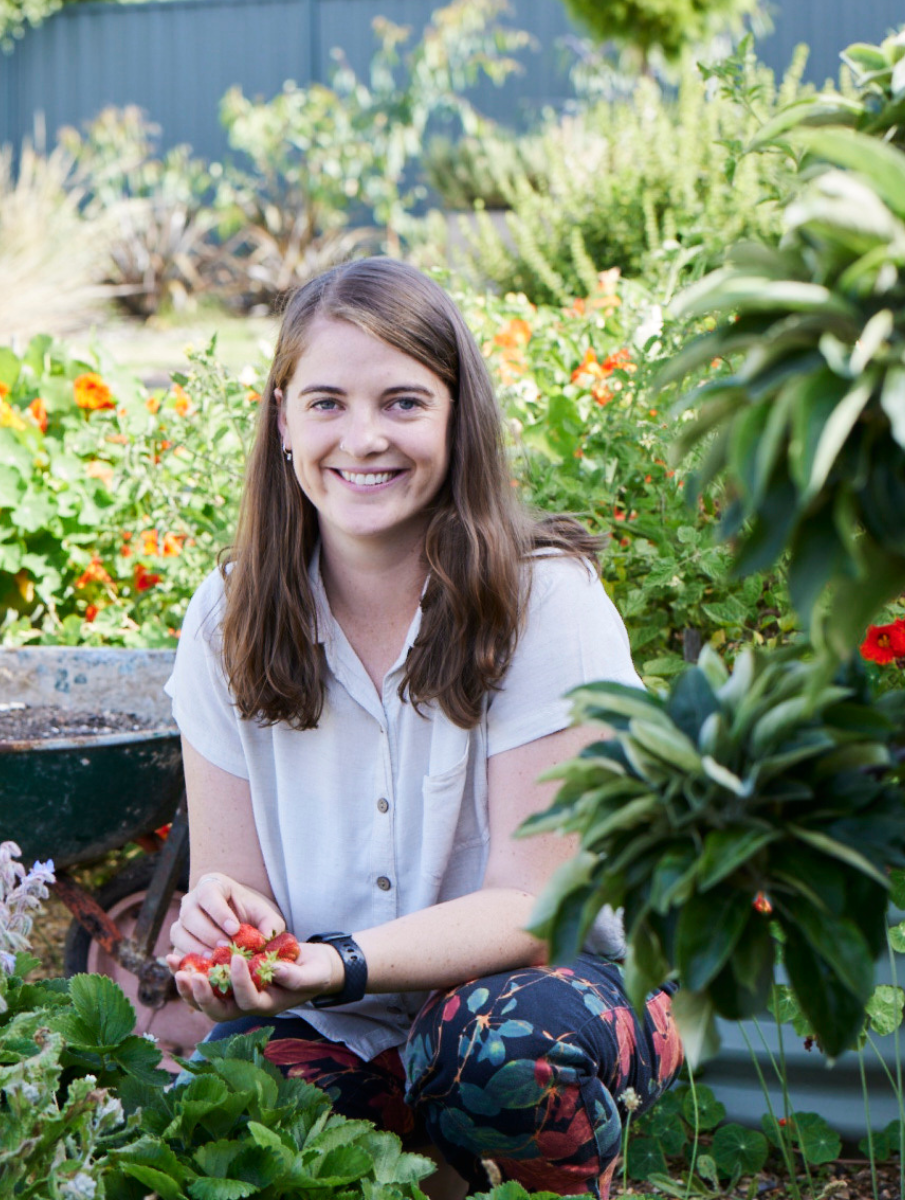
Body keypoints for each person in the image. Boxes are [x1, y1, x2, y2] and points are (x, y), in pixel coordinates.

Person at [162, 258, 682, 1200]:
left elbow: (533, 908)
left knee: (493, 1054)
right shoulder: (226, 616)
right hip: (341, 1019)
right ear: (283, 422)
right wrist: (223, 935)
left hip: (559, 992)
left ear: (456, 420)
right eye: (326, 403)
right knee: (231, 1107)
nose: (363, 438)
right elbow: (233, 883)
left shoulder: (543, 600)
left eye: (403, 402)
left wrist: (337, 963)